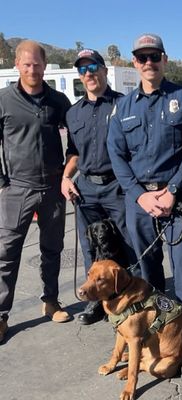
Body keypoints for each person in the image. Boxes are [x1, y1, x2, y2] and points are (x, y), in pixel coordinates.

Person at [107, 33, 182, 380]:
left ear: (164, 59)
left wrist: (173, 190)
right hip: (139, 203)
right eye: (142, 57)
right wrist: (139, 195)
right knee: (146, 280)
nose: (148, 62)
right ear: (134, 63)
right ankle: (154, 339)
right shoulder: (123, 107)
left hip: (175, 202)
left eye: (154, 56)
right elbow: (117, 156)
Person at [0, 40, 72, 343]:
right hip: (17, 189)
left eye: (37, 64)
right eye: (26, 64)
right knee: (5, 254)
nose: (32, 69)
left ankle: (51, 301)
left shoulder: (58, 101)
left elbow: (77, 142)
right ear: (17, 64)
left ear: (45, 65)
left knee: (52, 249)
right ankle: (1, 316)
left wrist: (68, 175)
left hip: (53, 187)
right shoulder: (3, 100)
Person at [61, 49, 138, 325]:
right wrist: (65, 177)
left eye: (93, 66)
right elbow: (73, 153)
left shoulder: (125, 104)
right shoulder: (73, 113)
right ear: (79, 76)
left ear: (105, 70)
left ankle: (135, 299)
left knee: (129, 244)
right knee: (90, 248)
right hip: (86, 191)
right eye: (82, 69)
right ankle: (95, 302)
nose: (88, 73)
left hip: (118, 187)